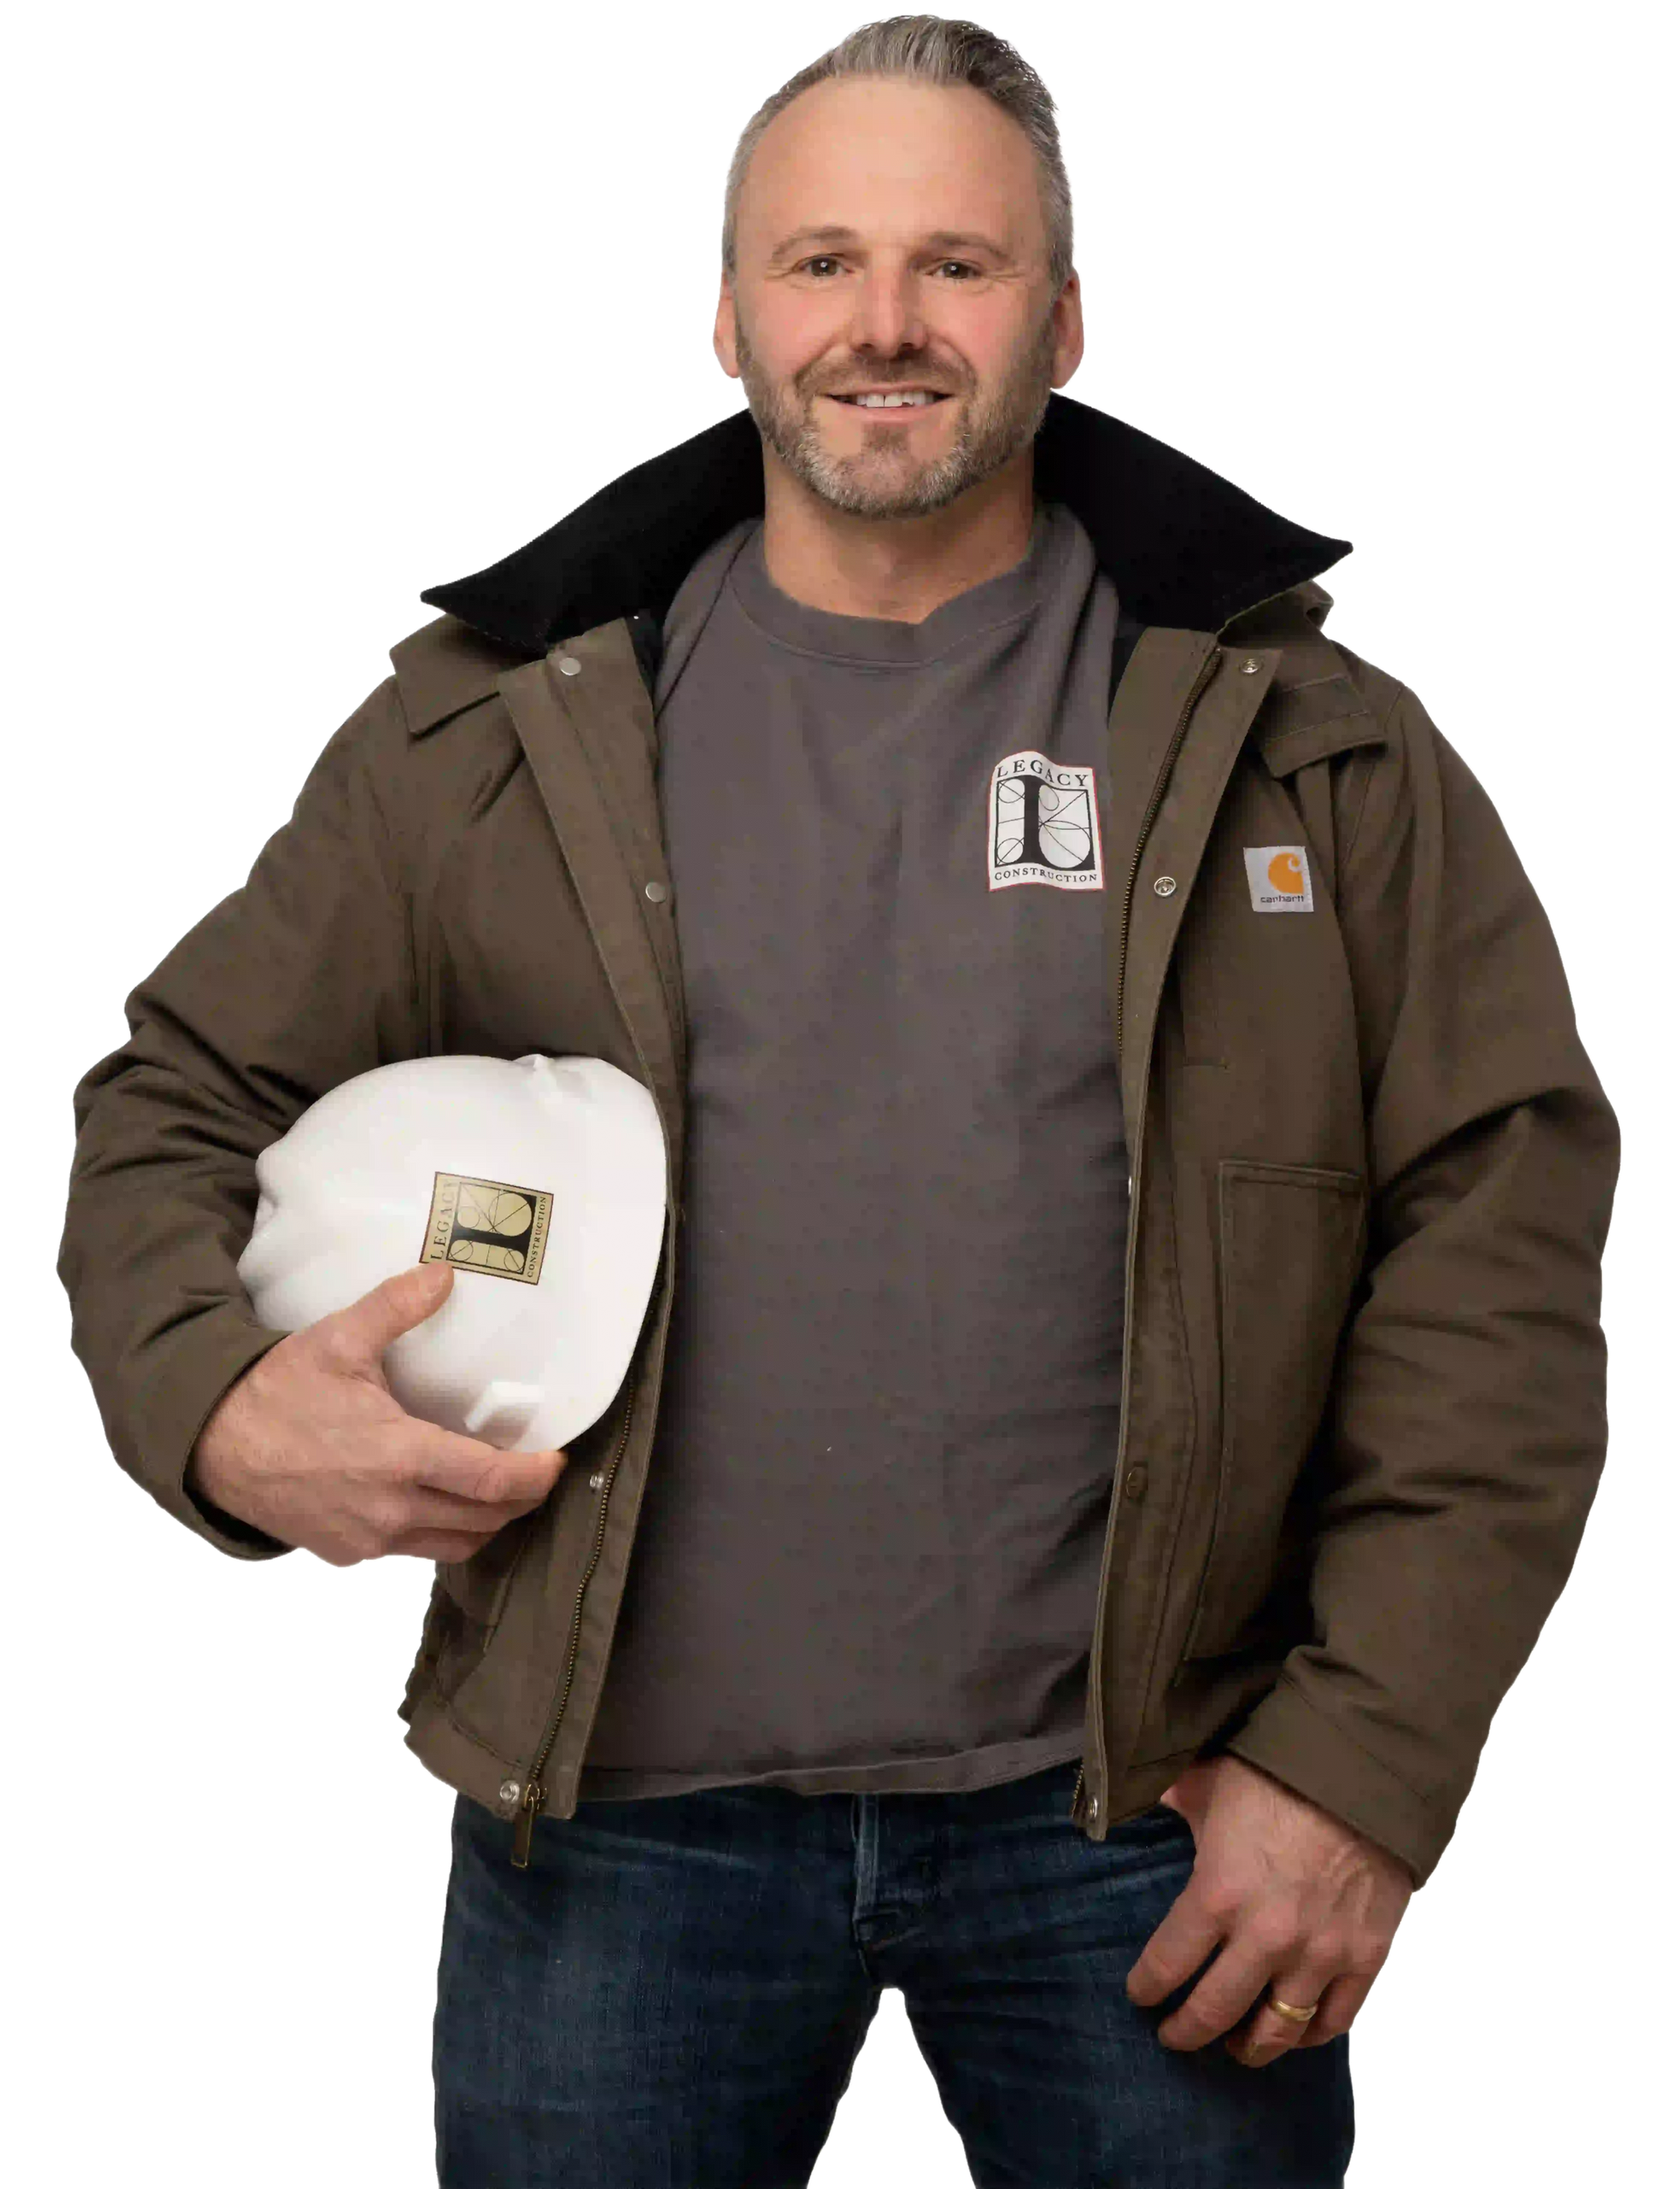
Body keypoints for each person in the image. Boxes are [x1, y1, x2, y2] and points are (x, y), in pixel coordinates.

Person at [55, 15, 1620, 2188]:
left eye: (958, 266)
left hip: (1154, 1833)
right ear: (728, 314)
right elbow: (171, 1097)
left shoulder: (1314, 747)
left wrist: (1359, 1762)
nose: (884, 323)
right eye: (821, 263)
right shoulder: (496, 727)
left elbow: (1500, 1245)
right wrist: (222, 1406)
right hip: (615, 1832)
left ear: (1066, 318)